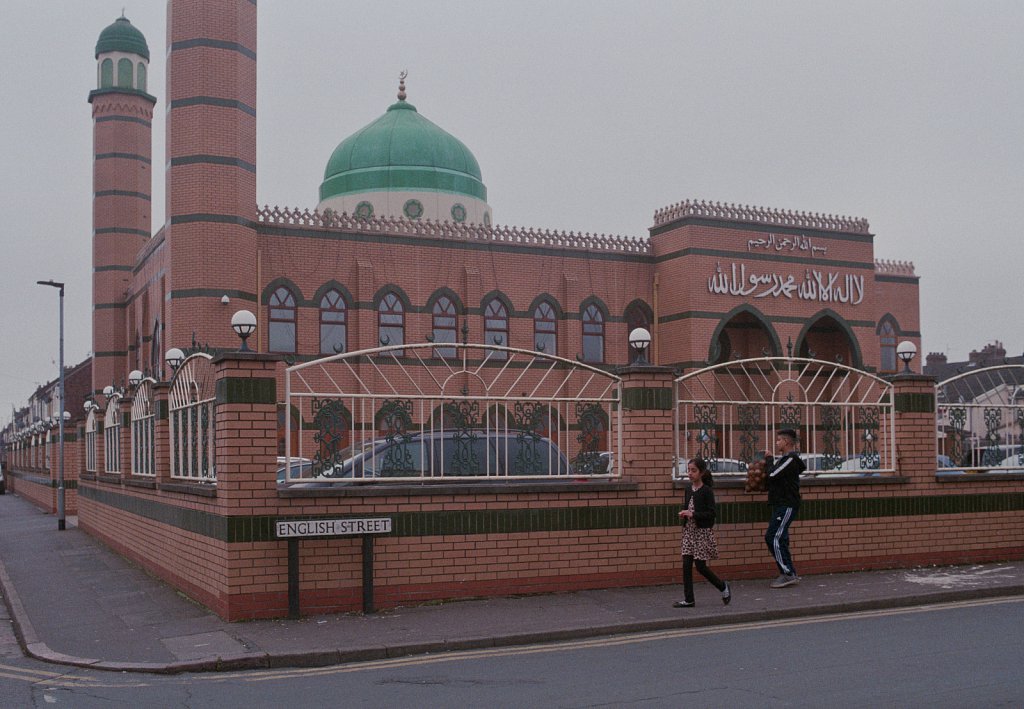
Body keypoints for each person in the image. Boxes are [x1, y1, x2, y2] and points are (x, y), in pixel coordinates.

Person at [673, 457, 731, 608]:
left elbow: (711, 514)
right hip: (689, 532)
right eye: (689, 470)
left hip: (702, 533)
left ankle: (723, 587)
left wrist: (694, 514)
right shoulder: (687, 490)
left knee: (700, 567)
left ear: (701, 472)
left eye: (694, 470)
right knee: (686, 565)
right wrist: (685, 513)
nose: (690, 473)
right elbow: (690, 508)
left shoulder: (706, 491)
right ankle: (689, 599)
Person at [764, 428, 806, 588]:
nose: (777, 443)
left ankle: (787, 573)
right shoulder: (785, 459)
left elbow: (772, 475)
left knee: (772, 537)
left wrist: (769, 460)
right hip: (780, 504)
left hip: (786, 504)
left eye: (779, 440)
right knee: (781, 538)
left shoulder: (790, 459)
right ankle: (790, 573)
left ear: (787, 442)